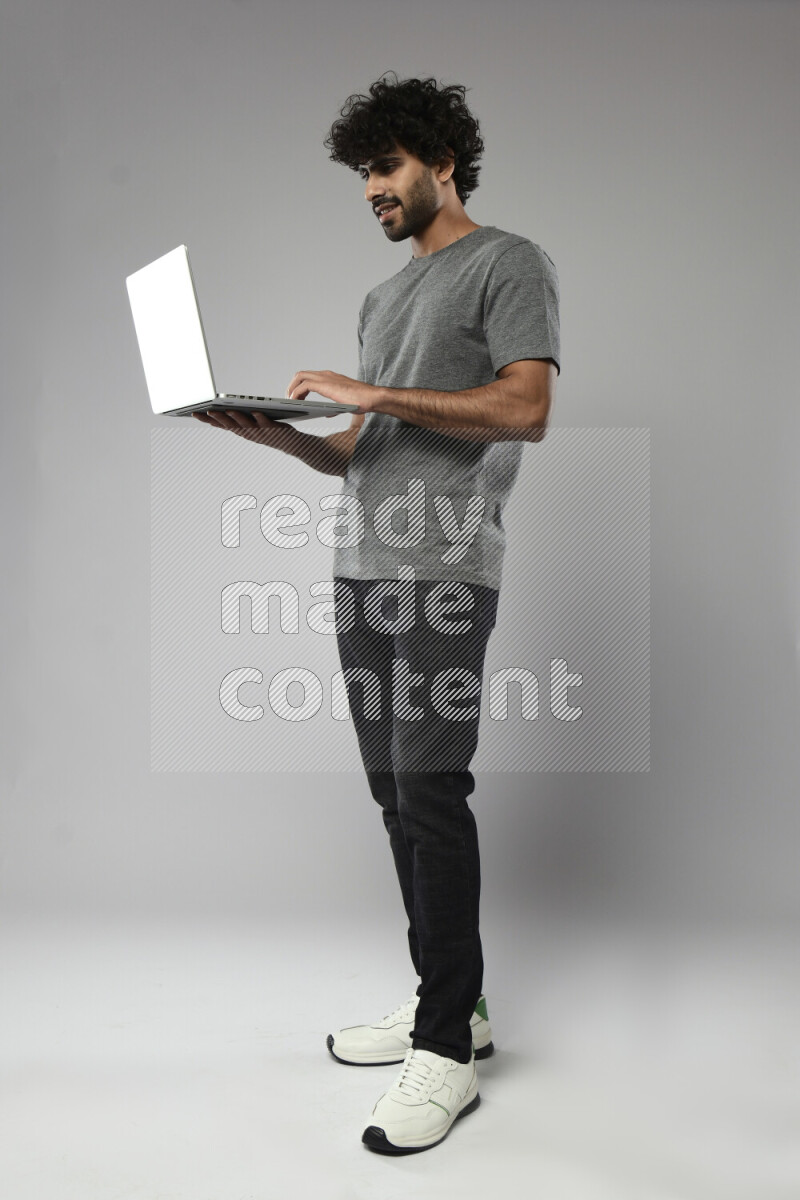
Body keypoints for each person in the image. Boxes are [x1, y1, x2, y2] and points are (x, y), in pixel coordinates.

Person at [194, 71, 560, 1155]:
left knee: (432, 791)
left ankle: (442, 1053)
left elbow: (527, 408)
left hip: (444, 568)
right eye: (362, 173)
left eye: (387, 167)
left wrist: (372, 396)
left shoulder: (507, 263)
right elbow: (368, 446)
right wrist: (287, 437)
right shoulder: (381, 299)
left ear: (443, 162)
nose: (372, 189)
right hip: (361, 564)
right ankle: (458, 1005)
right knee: (393, 796)